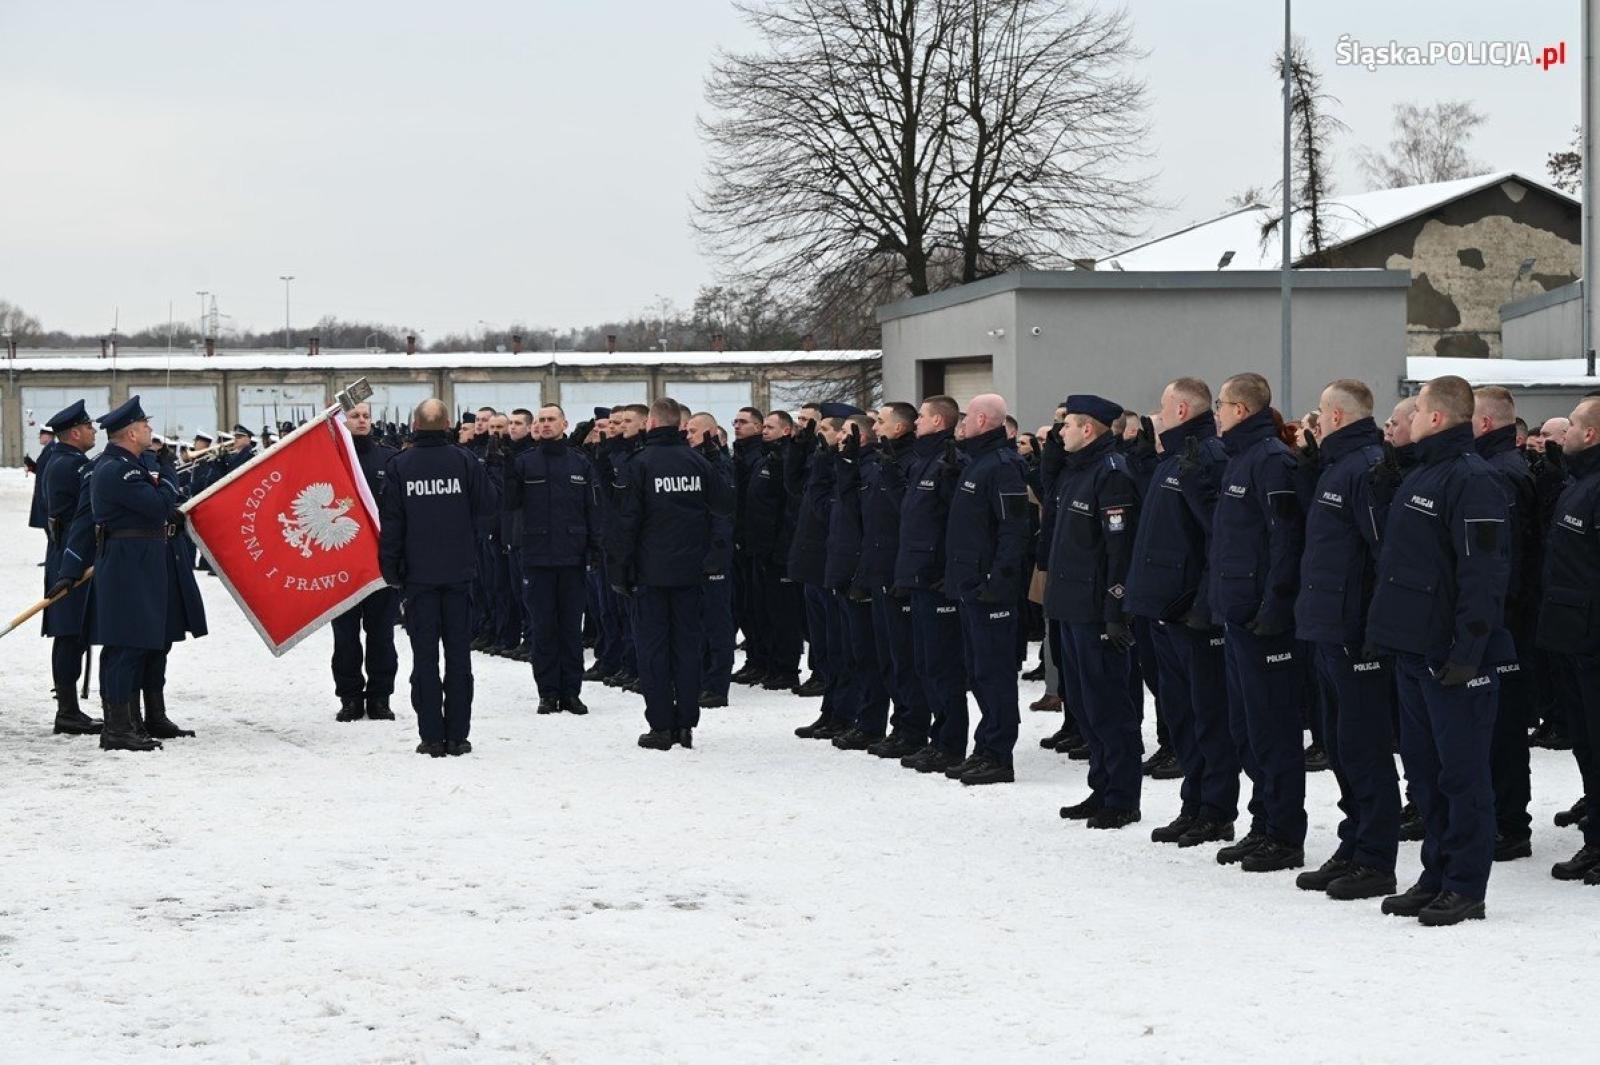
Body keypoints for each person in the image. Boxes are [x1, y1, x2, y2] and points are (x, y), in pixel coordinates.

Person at [1366, 375, 1511, 926]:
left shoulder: (1473, 479)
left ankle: (1465, 885)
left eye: (1418, 408)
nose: (1410, 416)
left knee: (1462, 775)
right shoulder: (1421, 472)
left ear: (1436, 417)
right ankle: (1435, 873)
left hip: (1454, 656)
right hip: (1413, 649)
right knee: (1424, 774)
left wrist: (1469, 648)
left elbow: (1485, 571)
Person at [1290, 380, 1401, 901]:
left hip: (1354, 632)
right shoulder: (1337, 463)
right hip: (1326, 626)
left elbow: (1384, 555)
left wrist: (1373, 630)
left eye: (1319, 412)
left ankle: (1376, 856)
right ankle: (1353, 843)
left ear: (1335, 415)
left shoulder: (1365, 467)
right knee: (1338, 744)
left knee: (1364, 748)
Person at [1125, 378, 1241, 848]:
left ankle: (1216, 808)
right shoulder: (1174, 458)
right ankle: (1193, 802)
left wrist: (1201, 604)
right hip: (1163, 611)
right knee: (1181, 715)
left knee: (1208, 716)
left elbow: (1218, 537)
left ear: (1179, 408)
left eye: (1162, 405)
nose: (1156, 412)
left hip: (1192, 615)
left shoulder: (1206, 457)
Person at [1210, 373, 1307, 872]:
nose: (1217, 413)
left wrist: (1274, 607)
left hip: (1265, 622)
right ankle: (1263, 821)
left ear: (1242, 410)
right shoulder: (1238, 459)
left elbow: (1285, 541)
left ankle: (1284, 832)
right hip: (1237, 616)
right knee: (1245, 728)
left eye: (1223, 404)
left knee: (1273, 729)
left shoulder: (1271, 461)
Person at [72, 396, 208, 752]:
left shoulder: (125, 465)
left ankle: (131, 721)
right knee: (126, 647)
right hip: (127, 564)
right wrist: (165, 480)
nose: (150, 430)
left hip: (138, 561)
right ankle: (118, 727)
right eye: (145, 426)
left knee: (140, 644)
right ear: (131, 433)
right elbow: (158, 505)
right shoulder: (120, 469)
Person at [610, 398, 733, 750]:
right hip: (691, 572)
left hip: (651, 573)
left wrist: (620, 570)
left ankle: (662, 725)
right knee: (687, 647)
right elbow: (724, 506)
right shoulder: (698, 462)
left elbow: (627, 522)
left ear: (650, 424)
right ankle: (686, 724)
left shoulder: (640, 463)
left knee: (653, 650)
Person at [379, 398, 500, 757]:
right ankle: (458, 735)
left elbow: (392, 526)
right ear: (447, 423)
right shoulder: (466, 462)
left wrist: (392, 569)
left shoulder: (399, 466)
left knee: (425, 658)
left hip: (418, 577)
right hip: (459, 573)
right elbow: (488, 509)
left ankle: (431, 735)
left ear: (415, 427)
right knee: (459, 656)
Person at [1043, 394, 1143, 825]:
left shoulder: (1111, 474)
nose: (1058, 432)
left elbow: (1118, 550)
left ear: (1088, 429)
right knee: (1083, 706)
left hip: (1096, 611)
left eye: (1066, 426)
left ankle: (1122, 797)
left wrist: (1115, 609)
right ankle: (1101, 788)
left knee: (1109, 707)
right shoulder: (1075, 471)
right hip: (1069, 607)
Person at [940, 393, 1029, 785]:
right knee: (978, 671)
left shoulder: (1003, 465)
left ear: (980, 420)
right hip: (969, 585)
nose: (960, 426)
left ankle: (998, 755)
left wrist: (999, 579)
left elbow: (1013, 529)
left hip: (991, 589)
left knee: (994, 673)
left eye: (965, 420)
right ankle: (985, 748)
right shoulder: (976, 462)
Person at [1470, 386, 1539, 862]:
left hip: (1509, 621)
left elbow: (1506, 561)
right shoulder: (1496, 469)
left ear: (1486, 423)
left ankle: (1510, 824)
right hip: (1509, 618)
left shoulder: (1500, 475)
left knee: (1504, 728)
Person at [1534, 396, 1600, 886]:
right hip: (1573, 640)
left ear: (1590, 434)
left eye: (1573, 424)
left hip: (1593, 639)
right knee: (1586, 746)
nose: (1566, 432)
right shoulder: (1578, 482)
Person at [505, 403, 597, 715]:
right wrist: (503, 469)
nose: (544, 425)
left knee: (571, 628)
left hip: (572, 558)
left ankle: (571, 691)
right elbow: (510, 503)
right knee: (543, 629)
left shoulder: (579, 463)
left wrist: (593, 551)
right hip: (537, 558)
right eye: (540, 420)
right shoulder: (524, 462)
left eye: (550, 420)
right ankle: (548, 692)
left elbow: (591, 509)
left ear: (564, 423)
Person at [894, 395, 968, 776]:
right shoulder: (923, 459)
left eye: (921, 417)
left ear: (938, 422)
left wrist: (943, 573)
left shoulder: (948, 462)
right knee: (925, 663)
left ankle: (951, 743)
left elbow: (952, 526)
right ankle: (938, 738)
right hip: (917, 576)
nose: (917, 422)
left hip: (936, 581)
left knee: (943, 666)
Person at [855, 402, 927, 759]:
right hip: (880, 569)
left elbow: (909, 520)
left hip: (900, 572)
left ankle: (913, 728)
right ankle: (901, 724)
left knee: (905, 657)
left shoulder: (909, 463)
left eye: (881, 421)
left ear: (899, 428)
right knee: (888, 656)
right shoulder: (885, 461)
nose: (876, 426)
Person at [822, 413, 891, 750]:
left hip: (861, 574)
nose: (836, 440)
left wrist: (861, 575)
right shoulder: (848, 466)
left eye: (844, 435)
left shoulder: (872, 468)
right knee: (847, 652)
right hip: (843, 569)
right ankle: (857, 717)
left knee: (866, 655)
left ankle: (871, 721)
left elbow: (868, 527)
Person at [329, 402, 399, 722]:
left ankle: (380, 697)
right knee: (345, 636)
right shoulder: (328, 458)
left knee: (381, 634)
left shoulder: (387, 457)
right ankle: (350, 697)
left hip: (381, 563)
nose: (361, 421)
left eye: (365, 416)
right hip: (341, 563)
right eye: (354, 416)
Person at [39, 400, 103, 735]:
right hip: (70, 556)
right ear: (75, 432)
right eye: (90, 427)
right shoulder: (71, 465)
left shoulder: (63, 459)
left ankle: (69, 708)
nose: (95, 432)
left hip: (67, 553)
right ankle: (67, 711)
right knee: (69, 634)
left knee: (73, 634)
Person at [741, 411, 803, 689]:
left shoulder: (788, 459)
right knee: (762, 610)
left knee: (783, 614)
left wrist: (780, 547)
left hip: (780, 551)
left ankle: (786, 668)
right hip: (761, 549)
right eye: (763, 427)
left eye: (770, 427)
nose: (764, 431)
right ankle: (767, 663)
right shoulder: (767, 458)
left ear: (787, 431)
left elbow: (786, 509)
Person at [686, 412, 737, 708]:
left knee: (717, 623)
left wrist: (716, 554)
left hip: (714, 555)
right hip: (694, 553)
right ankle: (704, 679)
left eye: (693, 431)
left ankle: (717, 685)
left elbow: (723, 513)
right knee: (698, 623)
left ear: (709, 433)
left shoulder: (720, 465)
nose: (688, 436)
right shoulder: (694, 462)